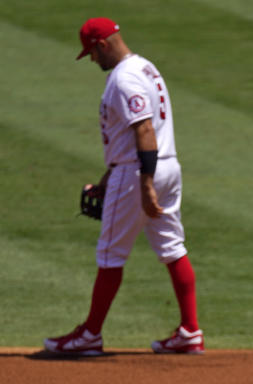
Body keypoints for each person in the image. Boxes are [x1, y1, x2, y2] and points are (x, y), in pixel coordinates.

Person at [44, 17, 203, 355]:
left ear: (102, 45)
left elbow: (144, 130)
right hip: (165, 165)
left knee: (110, 253)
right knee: (172, 246)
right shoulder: (145, 67)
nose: (92, 59)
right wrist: (109, 177)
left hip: (139, 173)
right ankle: (190, 330)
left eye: (91, 53)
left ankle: (90, 334)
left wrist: (144, 184)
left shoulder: (124, 79)